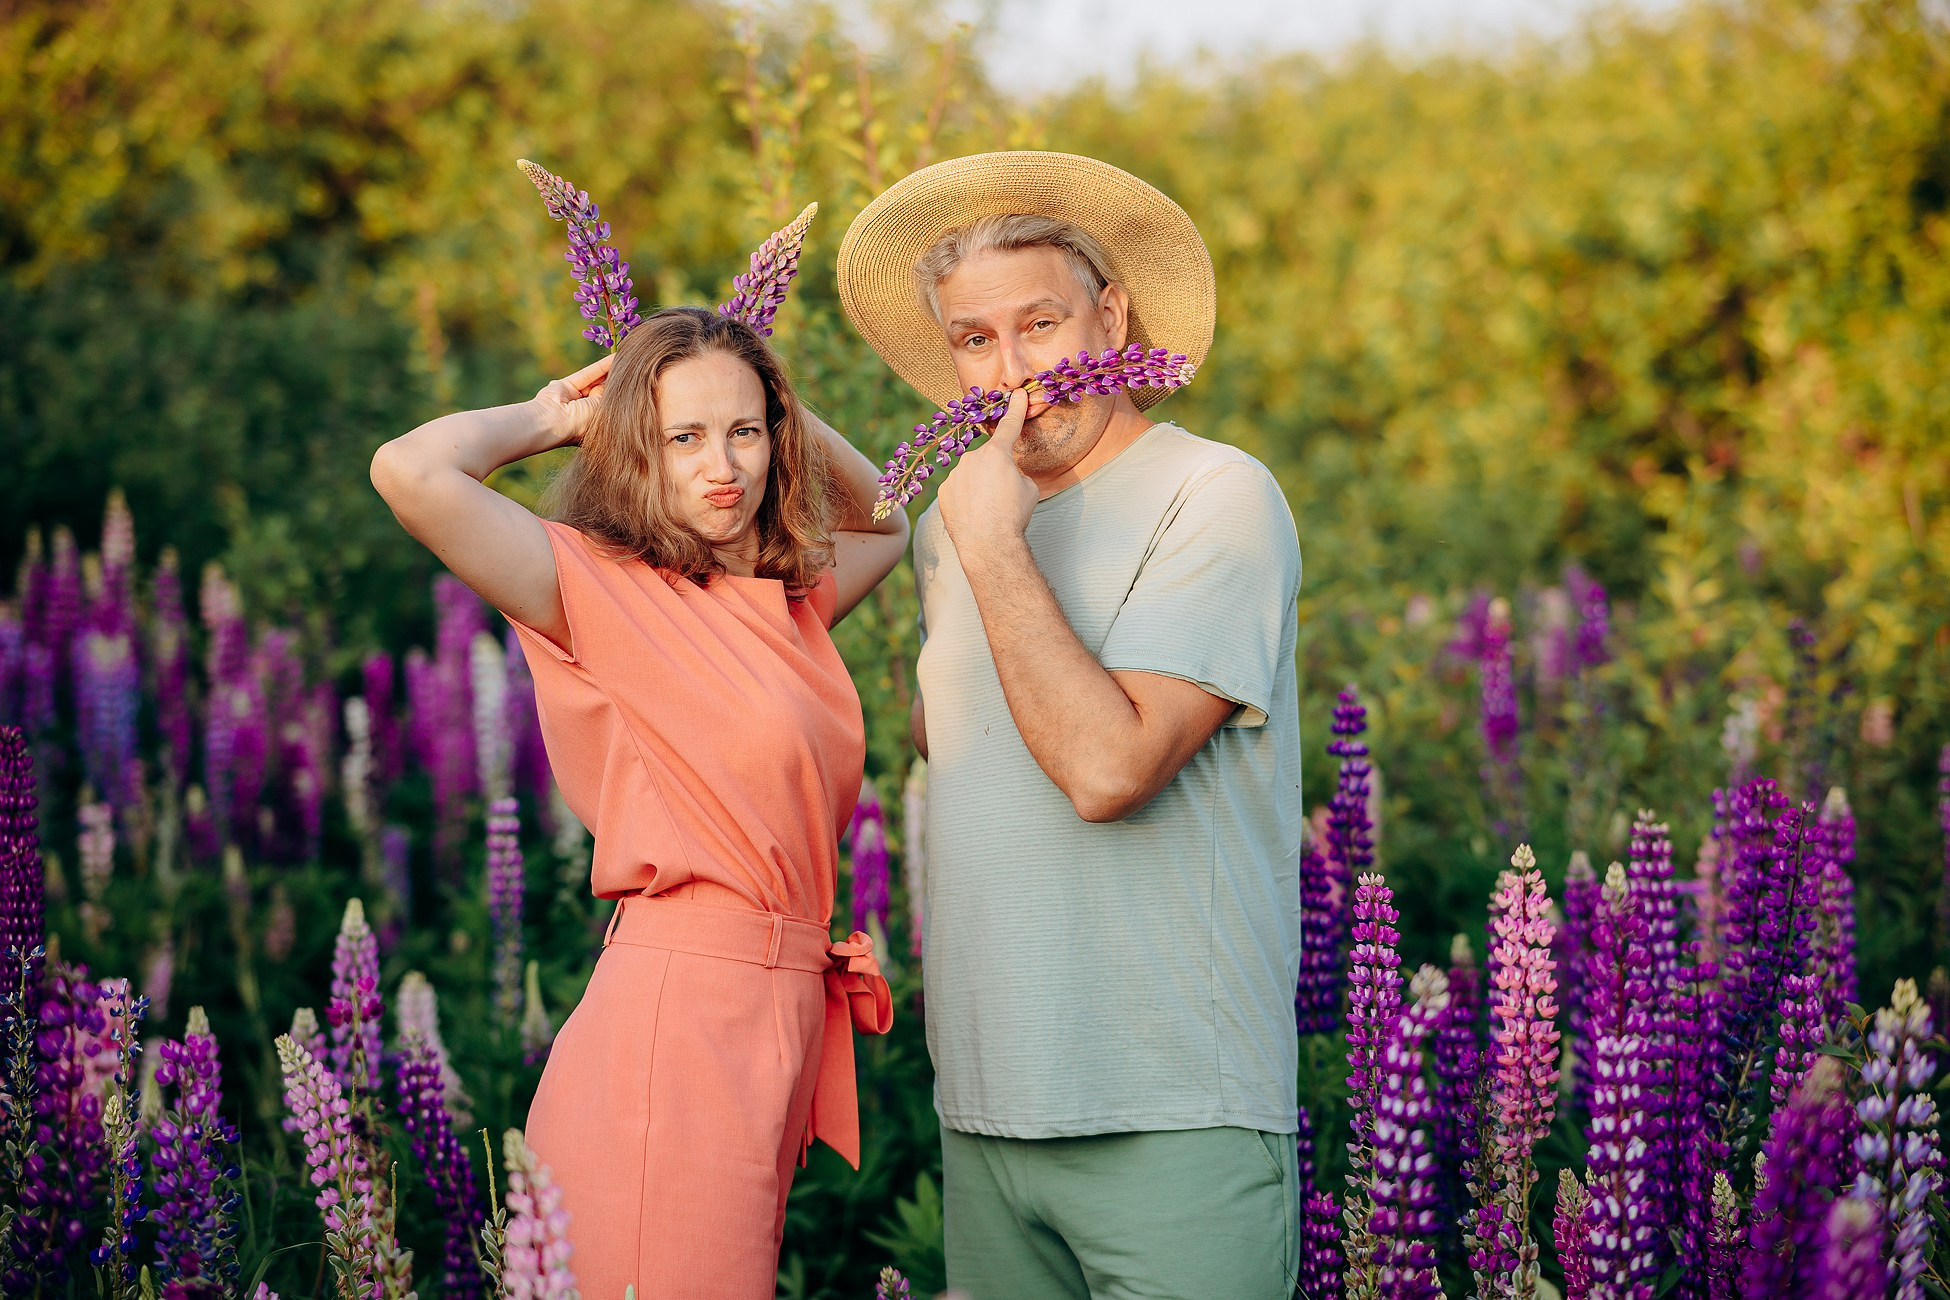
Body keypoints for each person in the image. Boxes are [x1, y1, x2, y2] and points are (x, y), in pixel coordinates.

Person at [369, 304, 908, 1299]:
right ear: (637, 450)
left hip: (771, 1020)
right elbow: (408, 471)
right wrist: (557, 413)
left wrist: (775, 393)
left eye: (745, 432)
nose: (724, 465)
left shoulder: (785, 605)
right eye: (683, 437)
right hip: (678, 1028)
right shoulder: (597, 587)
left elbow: (888, 516)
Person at [838, 152, 1304, 1299]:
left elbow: (1108, 769)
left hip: (1171, 1112)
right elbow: (962, 753)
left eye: (1042, 322)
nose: (1013, 371)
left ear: (1116, 313)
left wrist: (993, 546)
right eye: (974, 340)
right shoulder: (961, 530)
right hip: (989, 1115)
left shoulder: (1218, 495)